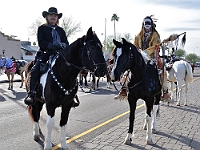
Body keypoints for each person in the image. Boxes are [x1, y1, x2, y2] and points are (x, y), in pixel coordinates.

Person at [24, 7, 79, 106]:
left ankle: (72, 96)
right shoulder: (42, 28)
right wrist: (53, 46)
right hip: (46, 53)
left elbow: (66, 42)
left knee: (71, 69)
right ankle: (31, 93)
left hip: (60, 54)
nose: (53, 17)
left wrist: (63, 45)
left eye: (55, 16)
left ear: (57, 18)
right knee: (35, 69)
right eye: (51, 15)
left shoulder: (61, 30)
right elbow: (41, 43)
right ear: (47, 17)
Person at [115, 16, 171, 101]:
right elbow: (134, 46)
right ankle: (124, 89)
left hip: (151, 57)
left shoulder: (155, 35)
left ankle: (165, 91)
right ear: (143, 25)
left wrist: (146, 53)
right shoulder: (138, 36)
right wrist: (138, 52)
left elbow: (155, 46)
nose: (147, 25)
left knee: (162, 71)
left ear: (151, 24)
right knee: (128, 69)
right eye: (146, 23)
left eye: (149, 23)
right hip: (139, 56)